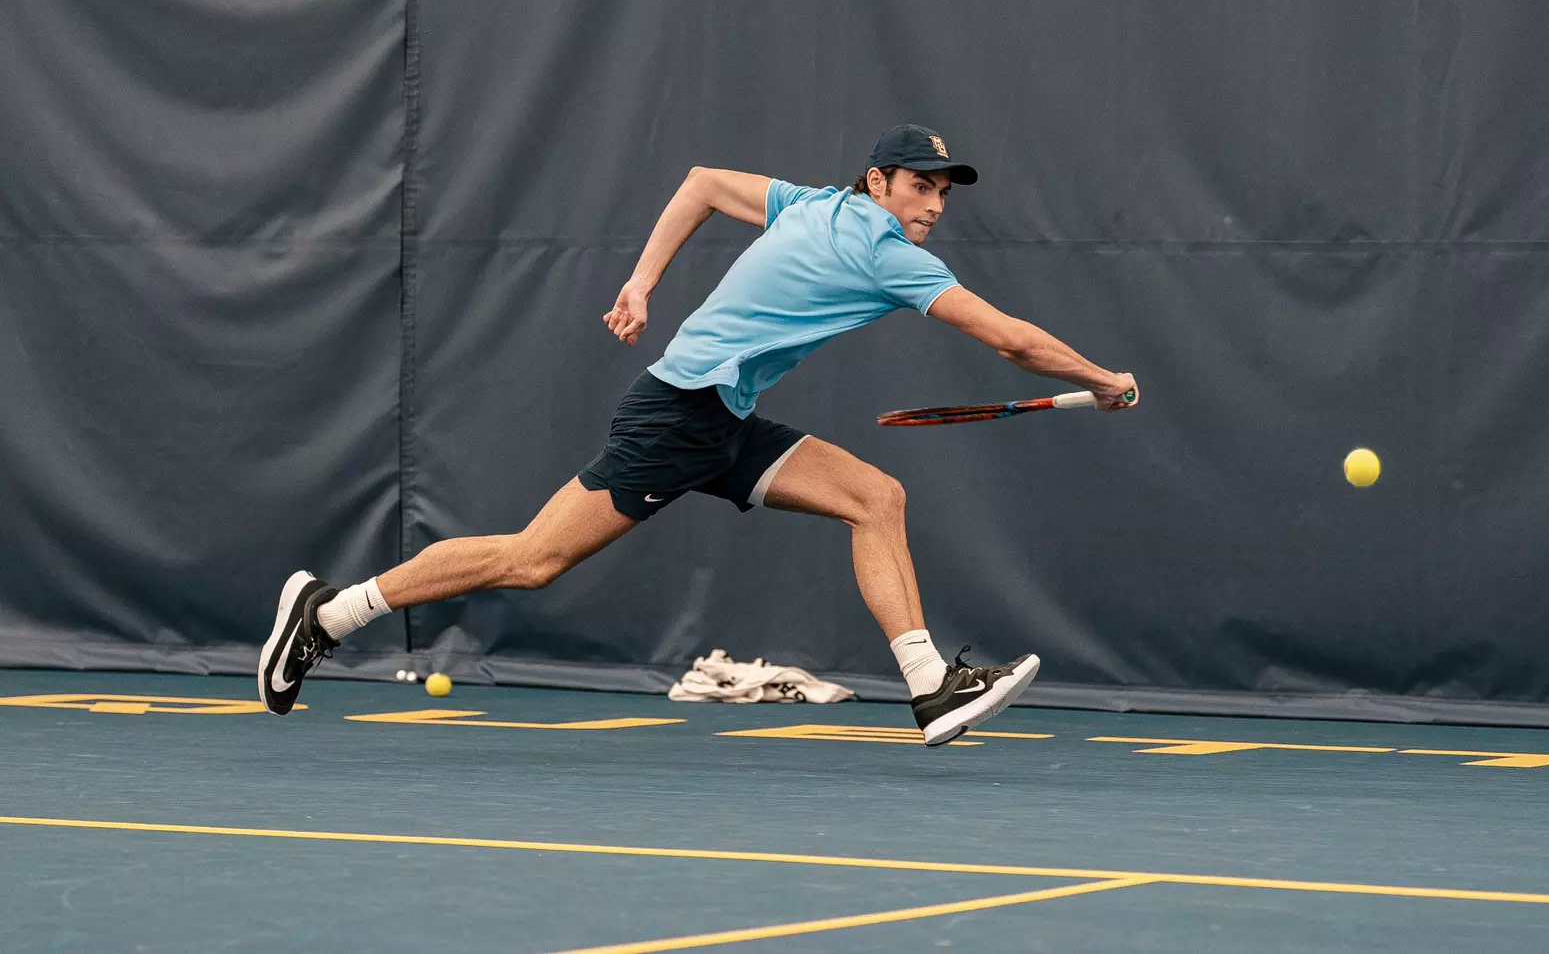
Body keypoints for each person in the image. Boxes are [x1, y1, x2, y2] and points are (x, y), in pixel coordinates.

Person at [258, 124, 1139, 745]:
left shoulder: (810, 206)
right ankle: (329, 613)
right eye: (920, 186)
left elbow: (705, 184)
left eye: (943, 193)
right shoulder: (884, 251)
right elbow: (1012, 339)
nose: (934, 206)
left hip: (723, 415)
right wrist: (1101, 380)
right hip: (679, 415)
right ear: (877, 182)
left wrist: (643, 283)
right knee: (532, 560)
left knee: (876, 497)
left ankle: (929, 688)